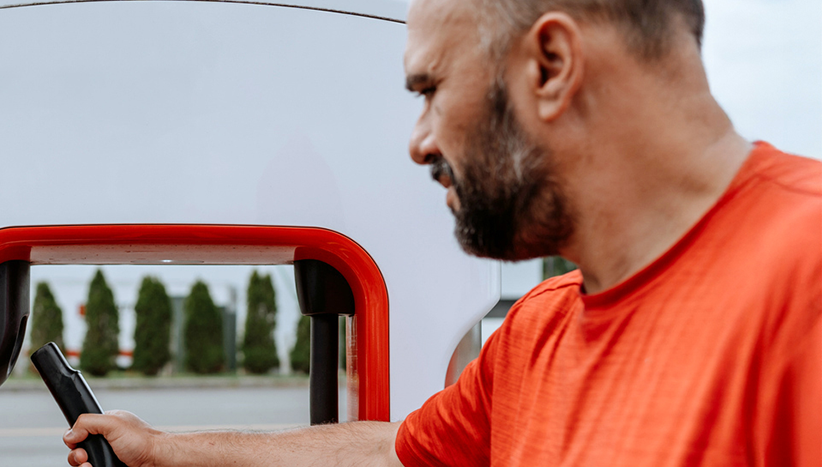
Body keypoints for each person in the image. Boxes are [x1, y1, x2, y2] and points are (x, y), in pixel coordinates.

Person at [63, 0, 822, 464]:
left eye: (429, 88)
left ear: (551, 64)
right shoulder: (538, 330)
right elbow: (393, 453)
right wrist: (163, 448)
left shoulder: (803, 277)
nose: (419, 140)